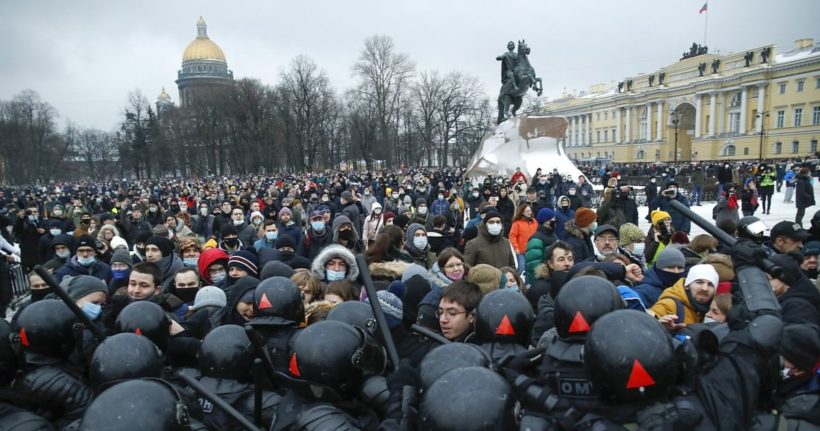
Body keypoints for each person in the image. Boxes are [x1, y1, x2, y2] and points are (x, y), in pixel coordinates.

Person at [649, 263, 718, 326]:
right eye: (699, 282)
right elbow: (647, 328)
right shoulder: (669, 305)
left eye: (710, 285)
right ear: (687, 285)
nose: (705, 288)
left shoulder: (713, 312)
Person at [767, 253, 820, 326]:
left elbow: (799, 335)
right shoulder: (787, 299)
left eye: (769, 279)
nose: (764, 282)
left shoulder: (799, 308)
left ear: (785, 281)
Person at [510, 203, 538, 273]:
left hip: (532, 249)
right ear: (522, 212)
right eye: (527, 211)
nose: (529, 212)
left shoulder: (534, 221)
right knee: (521, 268)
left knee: (532, 268)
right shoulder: (517, 223)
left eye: (530, 211)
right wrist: (516, 248)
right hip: (521, 251)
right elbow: (512, 236)